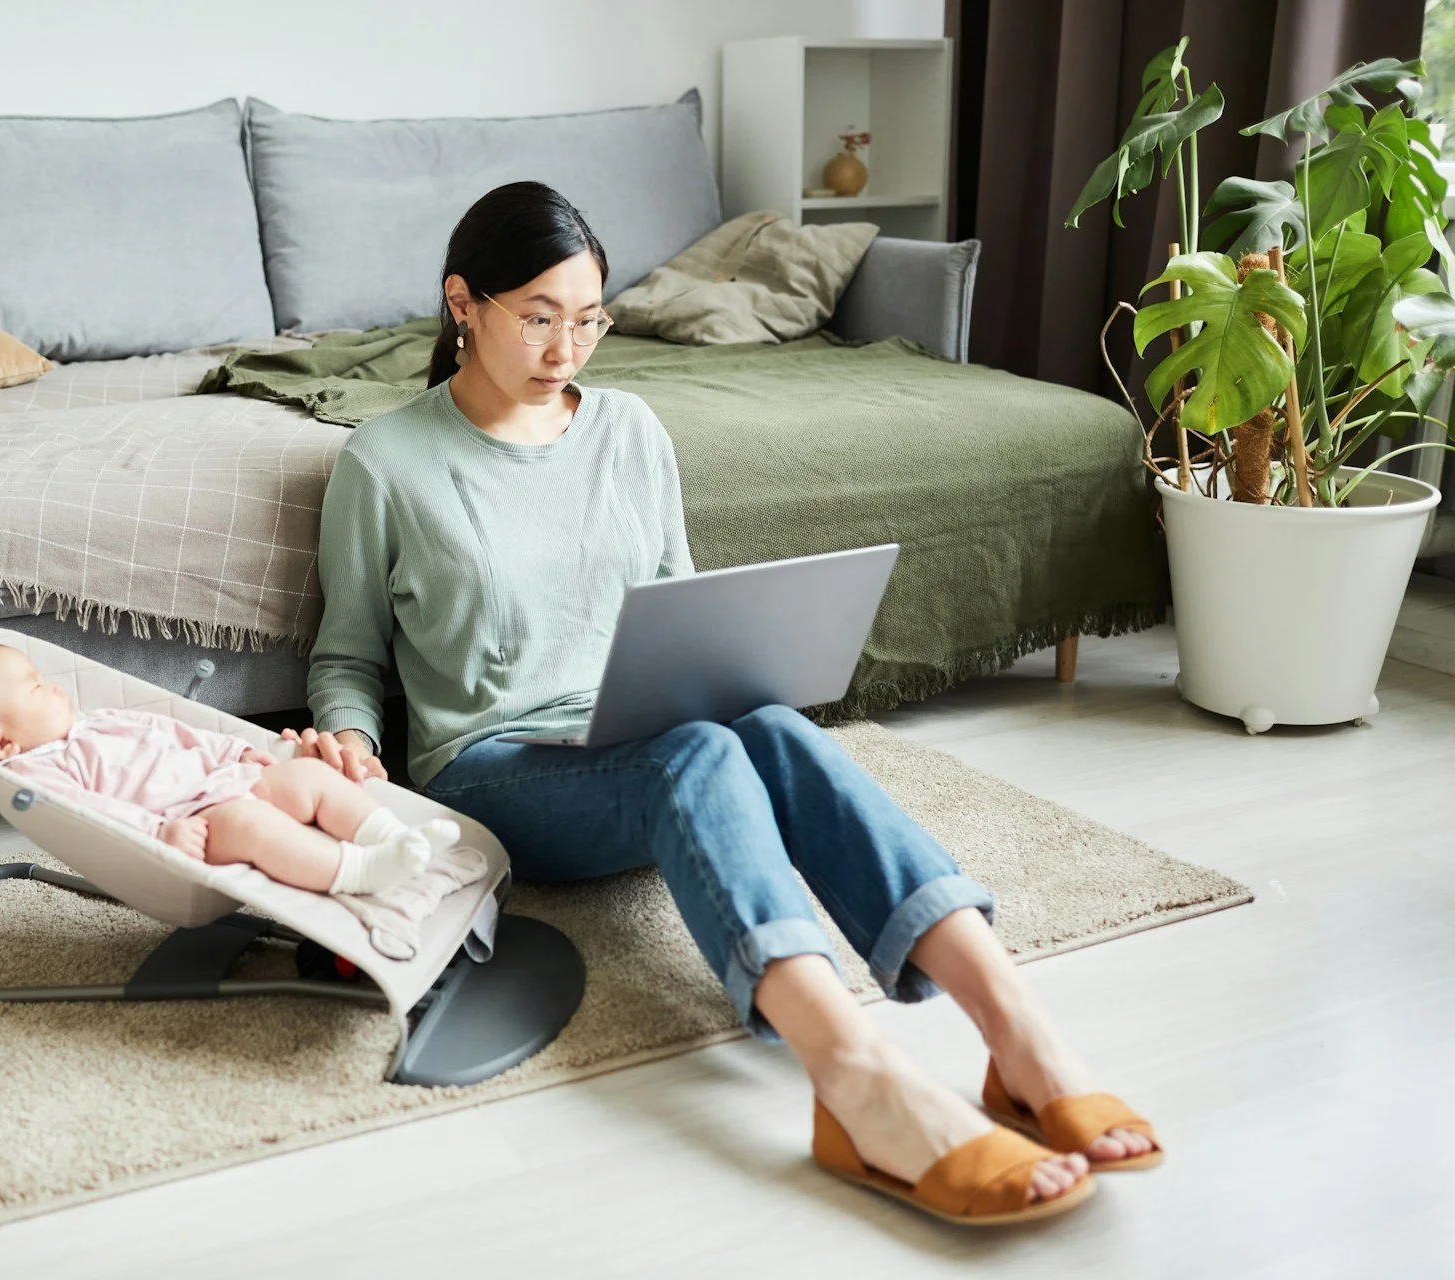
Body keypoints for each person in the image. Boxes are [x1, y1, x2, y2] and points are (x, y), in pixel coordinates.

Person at [292, 180, 1161, 1224]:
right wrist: (348, 738)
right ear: (463, 303)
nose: (567, 347)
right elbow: (347, 654)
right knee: (699, 755)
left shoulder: (631, 431)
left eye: (589, 320)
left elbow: (683, 611)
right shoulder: (386, 463)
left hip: (634, 722)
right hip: (495, 763)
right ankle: (856, 1074)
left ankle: (1018, 1031)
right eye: (538, 317)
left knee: (767, 726)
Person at [0, 642, 458, 895]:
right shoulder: (40, 772)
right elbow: (91, 814)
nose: (51, 686)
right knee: (250, 825)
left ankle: (392, 836)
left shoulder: (97, 722)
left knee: (311, 779)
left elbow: (177, 734)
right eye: (34, 687)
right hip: (190, 823)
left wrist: (236, 755)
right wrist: (160, 833)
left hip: (223, 778)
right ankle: (362, 872)